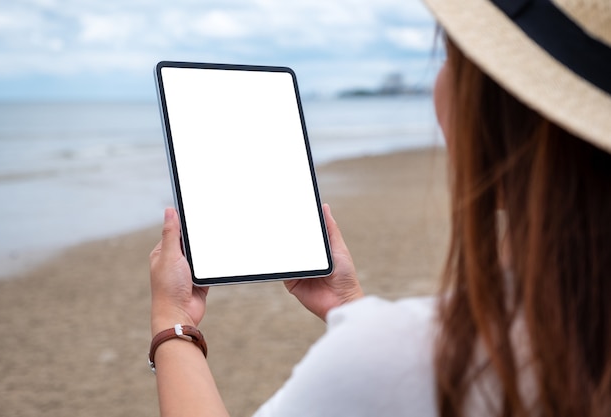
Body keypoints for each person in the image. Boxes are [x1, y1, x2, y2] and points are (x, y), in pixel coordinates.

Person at [149, 0, 611, 415]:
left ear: (498, 117)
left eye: (451, 58)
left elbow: (401, 377)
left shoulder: (410, 360)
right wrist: (348, 307)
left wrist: (173, 322)